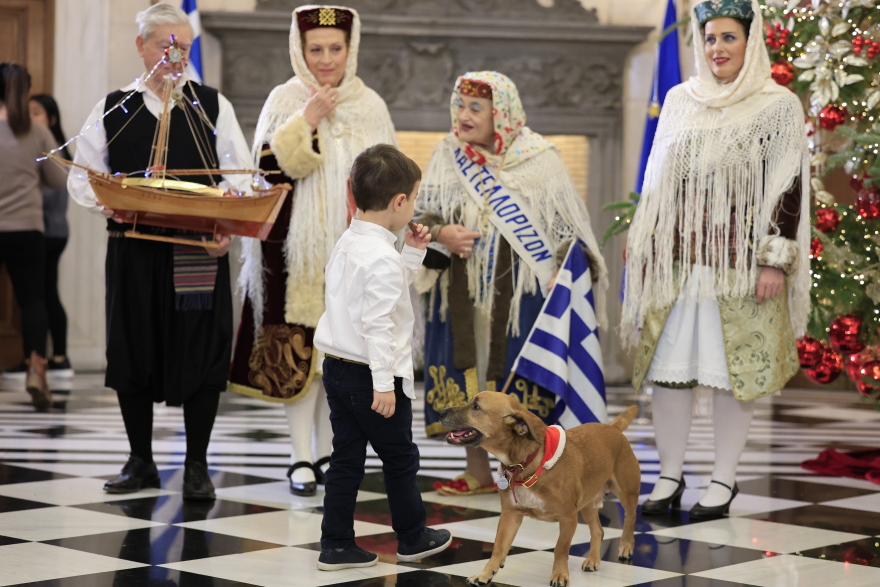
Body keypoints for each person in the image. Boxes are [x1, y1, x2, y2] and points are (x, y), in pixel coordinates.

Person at [622, 0, 809, 519]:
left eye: (728, 37)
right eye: (709, 39)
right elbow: (656, 180)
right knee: (669, 370)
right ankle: (668, 476)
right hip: (679, 261)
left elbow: (787, 187)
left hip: (742, 264)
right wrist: (645, 237)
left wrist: (775, 259)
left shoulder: (778, 105)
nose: (717, 49)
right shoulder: (682, 99)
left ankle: (723, 481)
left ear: (751, 42)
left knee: (734, 373)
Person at [67, 3, 252, 500]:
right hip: (133, 252)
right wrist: (112, 205)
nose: (176, 56)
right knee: (133, 350)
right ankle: (140, 460)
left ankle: (196, 465)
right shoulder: (114, 107)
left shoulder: (212, 106)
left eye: (184, 47)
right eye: (165, 44)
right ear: (141, 46)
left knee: (202, 354)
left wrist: (228, 227)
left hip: (198, 253)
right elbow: (81, 176)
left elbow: (243, 176)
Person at [229, 4, 397, 497]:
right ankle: (299, 456)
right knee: (296, 355)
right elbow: (264, 175)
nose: (326, 59)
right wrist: (306, 119)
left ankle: (329, 449)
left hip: (355, 253)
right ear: (299, 50)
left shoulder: (372, 105)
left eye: (335, 48)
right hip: (293, 254)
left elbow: (389, 182)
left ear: (352, 48)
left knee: (341, 357)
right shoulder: (285, 98)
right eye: (315, 49)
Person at [416, 71, 608, 496]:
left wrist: (563, 267)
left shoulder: (541, 160)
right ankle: (478, 470)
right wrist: (443, 232)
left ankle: (535, 473)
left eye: (475, 108)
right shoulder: (446, 155)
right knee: (471, 382)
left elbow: (572, 233)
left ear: (500, 114)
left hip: (522, 301)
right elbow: (421, 215)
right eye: (459, 105)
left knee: (515, 389)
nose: (463, 115)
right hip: (461, 297)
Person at [313, 144, 451, 570]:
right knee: (401, 458)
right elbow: (379, 326)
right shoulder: (379, 257)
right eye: (413, 199)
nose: (414, 209)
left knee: (346, 459)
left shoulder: (353, 239)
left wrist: (410, 250)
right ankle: (411, 538)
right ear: (399, 202)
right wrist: (383, 385)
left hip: (337, 369)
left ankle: (335, 544)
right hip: (372, 377)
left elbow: (385, 296)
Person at [0, 63, 68, 410]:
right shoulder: (37, 133)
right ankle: (36, 368)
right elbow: (59, 181)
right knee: (33, 300)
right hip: (26, 228)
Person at [30, 94, 74, 378]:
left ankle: (57, 356)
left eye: (37, 113)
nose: (32, 118)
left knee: (45, 294)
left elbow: (49, 196)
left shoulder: (54, 151)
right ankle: (47, 357)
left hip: (50, 232)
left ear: (52, 118)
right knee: (42, 293)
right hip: (48, 230)